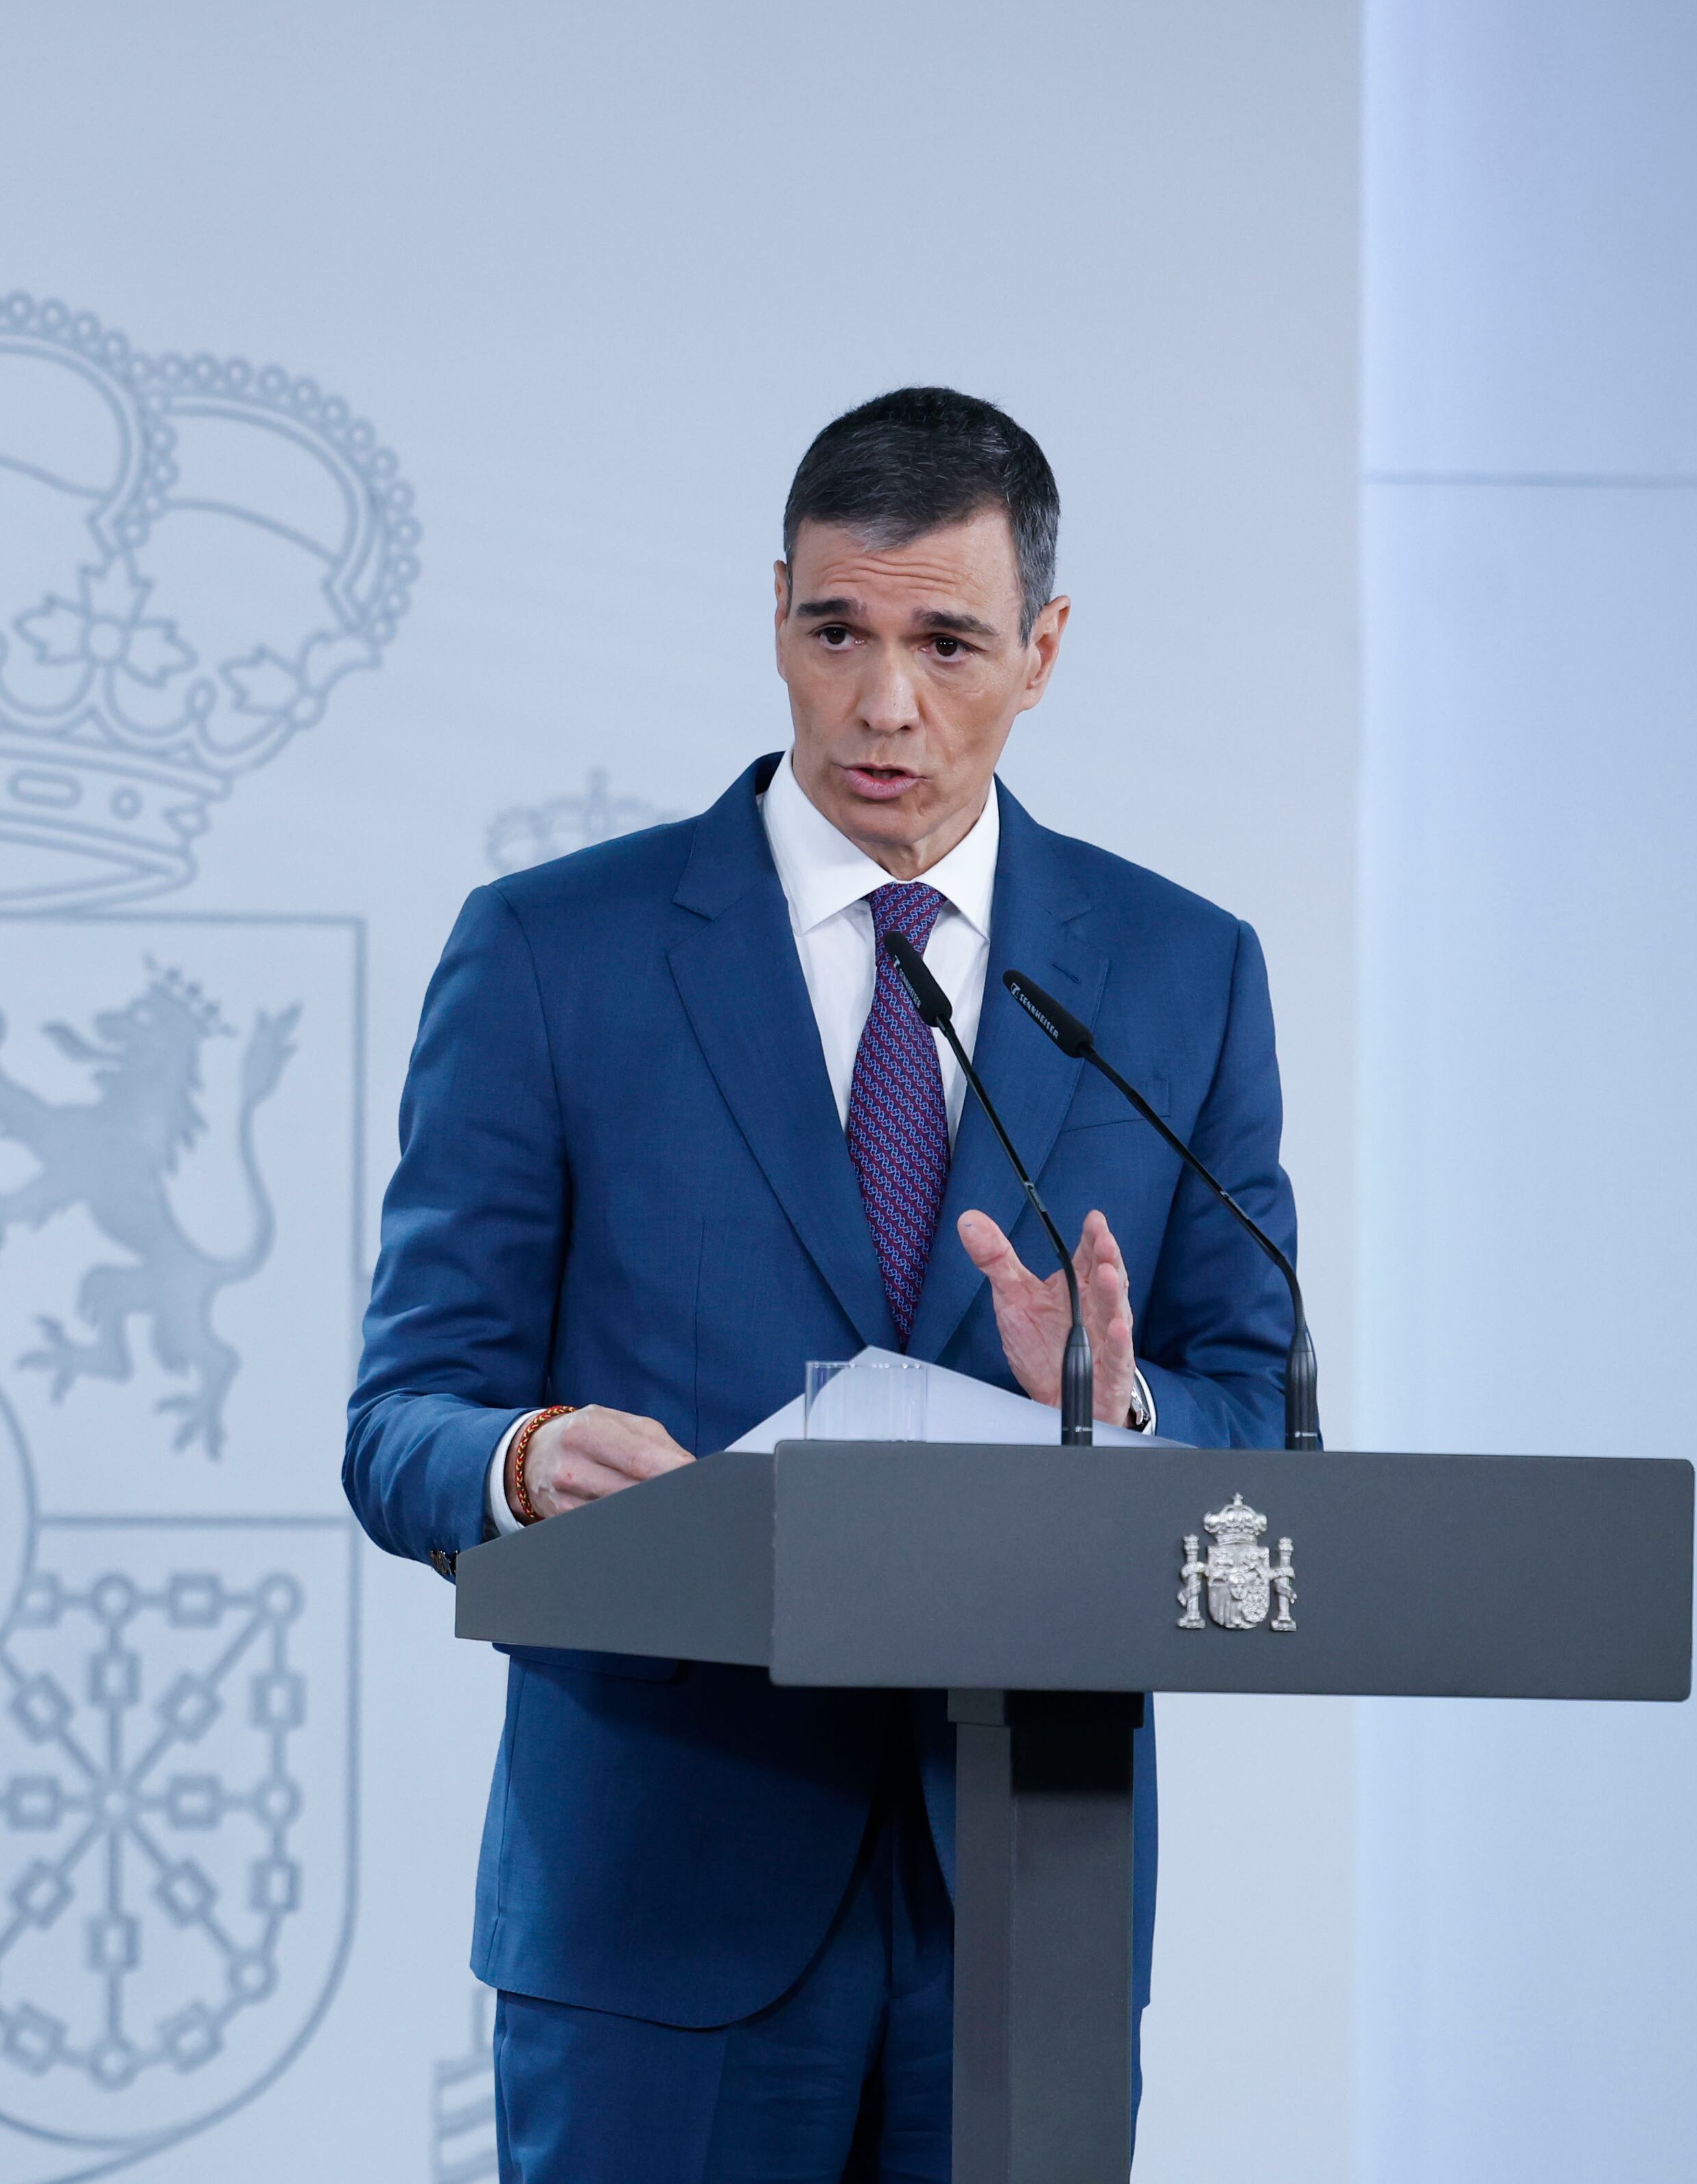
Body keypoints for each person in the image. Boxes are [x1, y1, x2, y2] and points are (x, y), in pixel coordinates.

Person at [342, 387, 1298, 2183]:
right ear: (775, 605)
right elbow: (401, 1420)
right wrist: (527, 1459)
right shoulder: (558, 954)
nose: (883, 704)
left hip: (1032, 1917)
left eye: (947, 642)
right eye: (834, 632)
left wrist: (1120, 1408)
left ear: (1045, 648)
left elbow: (1266, 1425)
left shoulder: (1182, 977)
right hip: (658, 1908)